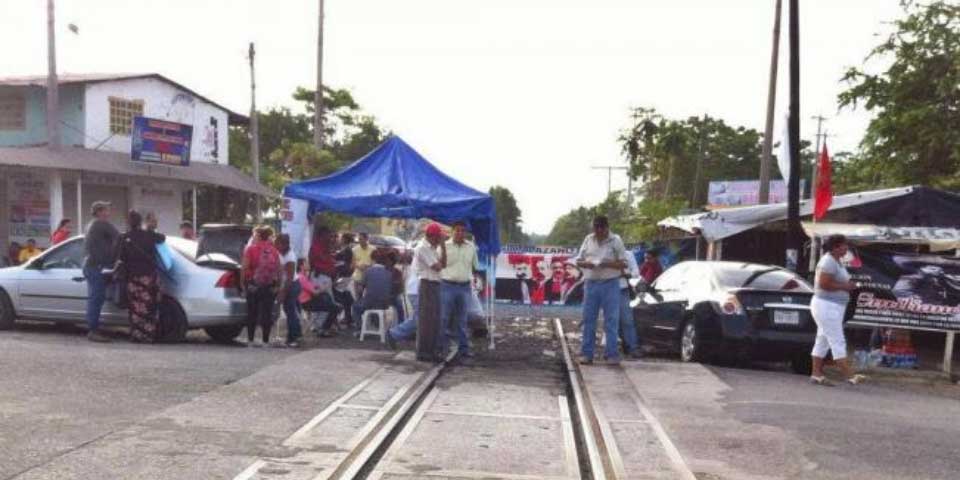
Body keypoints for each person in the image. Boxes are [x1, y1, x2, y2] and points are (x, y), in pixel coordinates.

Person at [809, 234, 866, 386]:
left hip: (831, 306)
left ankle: (816, 374)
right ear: (835, 247)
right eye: (843, 245)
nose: (846, 248)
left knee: (822, 340)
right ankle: (850, 375)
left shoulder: (836, 261)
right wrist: (845, 287)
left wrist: (849, 285)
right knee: (837, 340)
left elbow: (836, 281)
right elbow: (823, 284)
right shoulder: (828, 262)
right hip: (827, 306)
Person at [575, 215, 628, 365]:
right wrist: (586, 263)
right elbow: (578, 260)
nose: (598, 231)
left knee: (611, 320)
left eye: (601, 228)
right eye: (595, 228)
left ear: (607, 227)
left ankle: (611, 354)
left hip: (610, 284)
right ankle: (587, 354)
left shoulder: (616, 240)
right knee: (588, 319)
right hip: (591, 283)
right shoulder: (588, 239)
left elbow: (623, 264)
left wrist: (607, 263)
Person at [117, 210, 165, 343]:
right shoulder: (149, 236)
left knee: (135, 307)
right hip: (148, 277)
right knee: (148, 305)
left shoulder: (124, 238)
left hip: (132, 277)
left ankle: (136, 335)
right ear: (140, 222)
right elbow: (162, 238)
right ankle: (148, 335)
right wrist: (150, 227)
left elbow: (121, 258)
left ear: (128, 222)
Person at [440, 221, 479, 362]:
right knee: (444, 318)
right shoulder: (444, 246)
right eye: (457, 230)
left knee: (462, 319)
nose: (460, 233)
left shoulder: (471, 247)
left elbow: (475, 267)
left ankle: (464, 349)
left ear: (466, 233)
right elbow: (438, 264)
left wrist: (474, 280)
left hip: (464, 287)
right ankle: (441, 348)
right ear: (452, 231)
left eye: (463, 231)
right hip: (446, 286)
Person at [83, 201, 120, 343]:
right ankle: (93, 330)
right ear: (99, 212)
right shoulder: (101, 224)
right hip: (96, 267)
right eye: (106, 209)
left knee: (96, 297)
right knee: (96, 298)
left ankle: (95, 327)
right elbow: (121, 238)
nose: (109, 212)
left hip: (92, 266)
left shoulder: (90, 225)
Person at [240, 226, 282, 347]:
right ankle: (265, 341)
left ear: (258, 236)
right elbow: (279, 269)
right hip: (269, 286)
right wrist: (278, 285)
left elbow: (244, 268)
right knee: (266, 313)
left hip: (253, 285)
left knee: (252, 313)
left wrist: (242, 284)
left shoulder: (251, 249)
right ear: (268, 236)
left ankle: (251, 341)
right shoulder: (274, 250)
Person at [415, 224, 446, 361]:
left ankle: (431, 351)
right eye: (438, 237)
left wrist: (443, 247)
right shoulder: (422, 248)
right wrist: (443, 246)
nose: (440, 239)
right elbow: (438, 267)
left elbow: (444, 264)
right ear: (432, 236)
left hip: (434, 283)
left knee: (434, 320)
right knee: (426, 320)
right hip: (427, 284)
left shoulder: (433, 248)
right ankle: (423, 352)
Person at [307, 226, 342, 337]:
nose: (330, 237)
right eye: (328, 235)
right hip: (320, 277)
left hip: (325, 277)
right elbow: (319, 260)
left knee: (327, 302)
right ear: (322, 235)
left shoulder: (324, 245)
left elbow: (329, 258)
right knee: (324, 303)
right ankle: (319, 326)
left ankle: (320, 326)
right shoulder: (316, 246)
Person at [352, 249, 396, 329]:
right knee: (374, 302)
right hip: (385, 303)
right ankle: (377, 325)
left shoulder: (368, 271)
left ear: (373, 259)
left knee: (355, 307)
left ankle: (360, 329)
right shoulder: (389, 273)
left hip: (370, 302)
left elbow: (360, 289)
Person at [387, 248, 420, 349]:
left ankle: (398, 332)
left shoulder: (398, 270)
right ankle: (395, 333)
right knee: (419, 317)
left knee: (418, 316)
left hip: (411, 290)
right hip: (416, 289)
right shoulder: (396, 270)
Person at [276, 234, 302, 347]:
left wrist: (282, 292)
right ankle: (296, 333)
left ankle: (292, 338)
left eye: (278, 244)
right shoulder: (281, 253)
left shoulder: (290, 257)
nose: (276, 245)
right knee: (291, 311)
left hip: (291, 285)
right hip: (288, 284)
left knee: (290, 311)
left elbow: (289, 278)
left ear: (285, 244)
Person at [618, 250, 642, 359]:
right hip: (606, 289)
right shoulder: (604, 253)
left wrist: (625, 274)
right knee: (611, 320)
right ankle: (614, 348)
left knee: (627, 319)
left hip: (622, 289)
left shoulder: (627, 254)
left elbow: (636, 272)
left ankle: (633, 347)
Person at [351, 232, 375, 298]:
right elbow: (352, 263)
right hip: (358, 277)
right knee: (358, 297)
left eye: (361, 239)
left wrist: (368, 267)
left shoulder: (373, 249)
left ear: (366, 239)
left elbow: (375, 262)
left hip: (370, 277)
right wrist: (359, 266)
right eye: (359, 239)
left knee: (369, 297)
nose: (359, 241)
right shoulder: (354, 249)